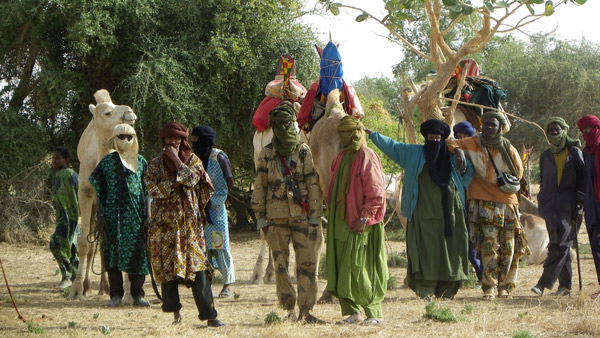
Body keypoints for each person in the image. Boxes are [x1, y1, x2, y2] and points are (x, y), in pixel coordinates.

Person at [369, 119, 472, 302]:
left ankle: (447, 290)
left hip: (450, 212)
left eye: (438, 138)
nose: (435, 142)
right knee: (425, 249)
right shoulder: (412, 153)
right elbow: (391, 145)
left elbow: (469, 170)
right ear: (425, 138)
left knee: (451, 248)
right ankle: (425, 289)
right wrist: (370, 133)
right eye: (431, 138)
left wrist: (459, 185)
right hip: (422, 211)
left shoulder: (452, 154)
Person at [251, 102, 325, 324]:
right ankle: (288, 309)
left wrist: (315, 216)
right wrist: (261, 219)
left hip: (302, 216)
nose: (284, 129)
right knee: (280, 266)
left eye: (287, 124)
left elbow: (313, 184)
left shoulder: (303, 151)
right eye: (279, 125)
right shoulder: (266, 154)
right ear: (273, 127)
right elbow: (260, 187)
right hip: (275, 219)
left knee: (307, 262)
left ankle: (306, 310)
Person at [144, 122, 224, 327]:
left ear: (183, 140)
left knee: (198, 269)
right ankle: (175, 316)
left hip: (190, 226)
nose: (173, 143)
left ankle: (210, 315)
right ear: (163, 140)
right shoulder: (154, 164)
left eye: (177, 139)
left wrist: (177, 162)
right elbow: (153, 189)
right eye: (169, 139)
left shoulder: (193, 160)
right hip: (164, 227)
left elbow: (192, 180)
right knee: (168, 270)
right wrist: (174, 183)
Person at [448, 111, 528, 300]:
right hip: (482, 202)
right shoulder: (472, 142)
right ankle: (489, 287)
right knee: (488, 246)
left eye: (494, 125)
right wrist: (459, 150)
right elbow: (449, 142)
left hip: (507, 203)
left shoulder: (509, 149)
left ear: (500, 128)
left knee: (508, 247)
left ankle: (505, 287)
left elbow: (518, 173)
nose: (490, 128)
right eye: (487, 124)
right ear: (481, 126)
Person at [326, 116, 388, 325]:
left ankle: (373, 312)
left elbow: (376, 193)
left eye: (349, 132)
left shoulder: (367, 156)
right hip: (341, 222)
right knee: (343, 268)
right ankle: (352, 312)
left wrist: (364, 217)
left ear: (358, 132)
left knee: (362, 267)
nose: (345, 136)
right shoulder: (341, 157)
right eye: (341, 132)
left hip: (362, 222)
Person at [89, 124, 150, 307]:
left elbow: (147, 192)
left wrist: (148, 216)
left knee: (137, 256)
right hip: (112, 218)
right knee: (112, 256)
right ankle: (115, 295)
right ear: (114, 140)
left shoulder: (141, 162)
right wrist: (100, 215)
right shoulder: (106, 163)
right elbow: (100, 190)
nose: (125, 140)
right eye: (121, 137)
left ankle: (138, 295)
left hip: (136, 218)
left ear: (135, 139)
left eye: (129, 137)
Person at [531, 117, 585, 297]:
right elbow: (542, 180)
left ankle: (544, 283)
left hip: (570, 207)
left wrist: (579, 206)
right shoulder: (546, 155)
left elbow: (583, 181)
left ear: (564, 130)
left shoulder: (575, 152)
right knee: (558, 244)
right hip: (549, 207)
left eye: (557, 129)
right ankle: (565, 287)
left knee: (561, 245)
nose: (554, 133)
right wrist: (542, 198)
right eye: (550, 130)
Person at [191, 125, 236, 298]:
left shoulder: (218, 157)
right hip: (198, 212)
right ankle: (205, 283)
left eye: (196, 138)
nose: (194, 142)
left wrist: (213, 200)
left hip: (216, 212)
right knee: (203, 249)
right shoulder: (194, 158)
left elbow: (228, 182)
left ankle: (227, 285)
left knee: (220, 246)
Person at [452, 121, 483, 283]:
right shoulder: (453, 150)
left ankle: (482, 275)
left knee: (474, 242)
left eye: (465, 135)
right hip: (460, 202)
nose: (462, 138)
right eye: (459, 135)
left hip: (476, 200)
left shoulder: (477, 150)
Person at [576, 115, 600, 299]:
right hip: (592, 205)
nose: (587, 133)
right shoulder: (586, 152)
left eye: (590, 128)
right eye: (584, 130)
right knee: (596, 244)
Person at [50, 147, 80, 290]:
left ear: (66, 160)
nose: (54, 161)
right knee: (69, 247)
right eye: (53, 158)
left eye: (57, 158)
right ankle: (74, 277)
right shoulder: (57, 176)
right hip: (62, 217)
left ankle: (68, 276)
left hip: (70, 218)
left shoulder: (71, 175)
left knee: (58, 243)